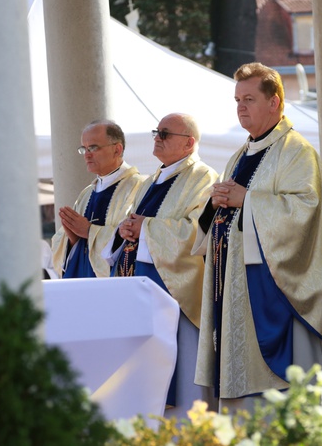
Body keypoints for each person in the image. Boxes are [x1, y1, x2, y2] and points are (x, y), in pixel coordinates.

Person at [193, 62, 322, 408]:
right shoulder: (240, 155)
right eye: (237, 99)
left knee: (283, 396)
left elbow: (304, 211)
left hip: (275, 289)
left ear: (275, 102)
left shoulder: (297, 152)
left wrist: (246, 201)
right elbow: (223, 217)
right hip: (234, 282)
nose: (241, 107)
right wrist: (217, 203)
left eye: (249, 99)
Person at [102, 113, 218, 417]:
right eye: (157, 131)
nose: (157, 137)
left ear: (188, 143)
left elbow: (198, 231)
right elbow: (135, 221)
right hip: (141, 292)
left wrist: (147, 229)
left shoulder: (203, 177)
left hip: (173, 293)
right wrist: (125, 231)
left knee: (181, 376)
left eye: (165, 133)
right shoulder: (152, 179)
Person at [51, 120, 142, 278]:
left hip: (113, 285)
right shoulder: (86, 193)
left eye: (93, 147)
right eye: (84, 149)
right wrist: (72, 238)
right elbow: (65, 245)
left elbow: (132, 237)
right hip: (83, 276)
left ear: (117, 149)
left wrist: (89, 231)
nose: (87, 154)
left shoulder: (136, 186)